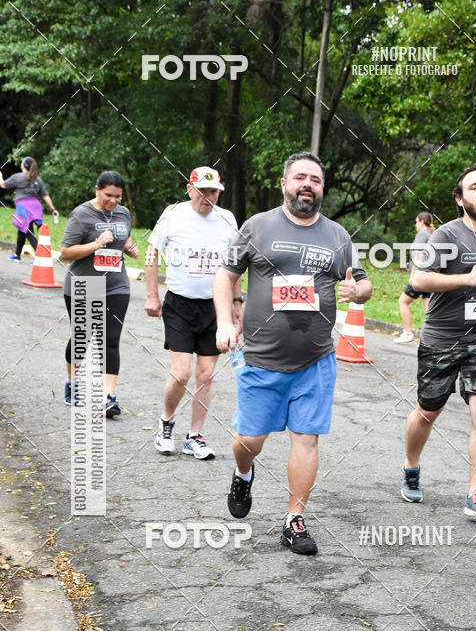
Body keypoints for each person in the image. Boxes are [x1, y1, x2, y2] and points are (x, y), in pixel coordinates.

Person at [213, 151, 372, 556]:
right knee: (249, 439)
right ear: (284, 183)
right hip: (260, 358)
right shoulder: (258, 226)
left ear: (322, 189)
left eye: (315, 180)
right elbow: (225, 276)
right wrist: (224, 323)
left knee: (307, 439)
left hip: (316, 359)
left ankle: (293, 519)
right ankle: (243, 473)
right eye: (300, 177)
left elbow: (363, 283)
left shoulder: (338, 236)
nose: (307, 184)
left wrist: (359, 291)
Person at [401, 164, 476, 519]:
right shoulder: (446, 236)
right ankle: (411, 465)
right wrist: (467, 278)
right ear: (460, 198)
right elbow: (419, 280)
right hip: (442, 338)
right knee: (428, 411)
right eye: (475, 187)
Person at [145, 166, 240, 460]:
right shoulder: (173, 214)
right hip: (179, 304)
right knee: (182, 372)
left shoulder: (227, 220)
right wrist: (152, 295)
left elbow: (235, 265)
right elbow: (152, 253)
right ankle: (166, 422)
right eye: (203, 191)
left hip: (214, 306)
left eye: (214, 192)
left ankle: (194, 436)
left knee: (206, 375)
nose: (208, 197)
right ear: (190, 189)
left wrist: (236, 304)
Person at [60, 170, 138, 417]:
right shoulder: (82, 214)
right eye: (108, 195)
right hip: (84, 284)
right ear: (96, 189)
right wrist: (96, 244)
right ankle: (72, 382)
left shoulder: (123, 213)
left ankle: (108, 397)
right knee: (82, 339)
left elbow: (124, 237)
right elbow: (65, 253)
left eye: (118, 196)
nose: (113, 201)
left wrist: (128, 247)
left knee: (111, 339)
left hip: (116, 286)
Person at [0, 156, 59, 262]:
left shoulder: (18, 177)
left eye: (21, 162)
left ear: (24, 165)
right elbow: (45, 195)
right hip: (35, 207)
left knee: (28, 231)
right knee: (22, 230)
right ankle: (17, 255)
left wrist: (0, 176)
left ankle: (40, 256)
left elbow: (3, 185)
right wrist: (52, 209)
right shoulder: (37, 179)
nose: (20, 163)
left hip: (23, 207)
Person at [394, 211, 435, 344]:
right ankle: (431, 340)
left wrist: (413, 275)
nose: (415, 224)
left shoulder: (422, 234)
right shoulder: (431, 234)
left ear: (422, 222)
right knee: (429, 309)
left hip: (420, 274)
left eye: (416, 221)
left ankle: (408, 333)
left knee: (403, 301)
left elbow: (420, 255)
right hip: (429, 275)